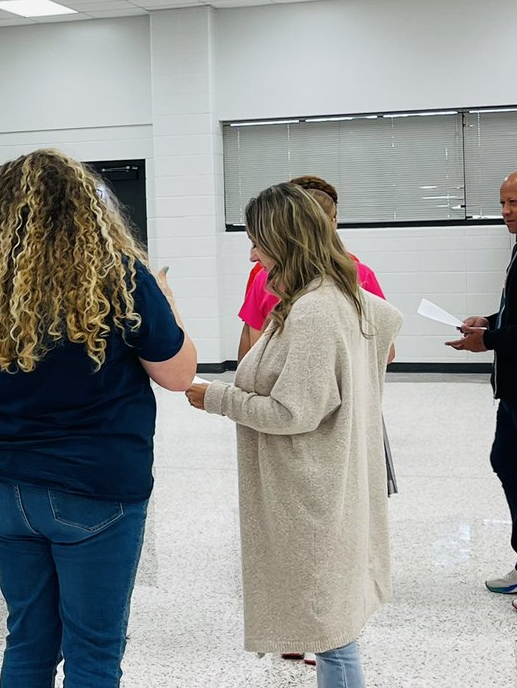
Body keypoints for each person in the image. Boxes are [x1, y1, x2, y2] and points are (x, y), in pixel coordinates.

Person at [0, 149, 197, 685]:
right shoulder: (118, 277)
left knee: (28, 638)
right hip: (93, 485)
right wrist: (166, 300)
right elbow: (179, 375)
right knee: (93, 650)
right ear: (87, 209)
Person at [186, 183, 403, 688]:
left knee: (332, 633)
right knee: (334, 625)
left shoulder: (315, 310)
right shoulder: (336, 295)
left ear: (284, 240)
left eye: (257, 240)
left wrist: (214, 397)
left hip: (312, 491)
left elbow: (294, 412)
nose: (252, 252)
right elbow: (385, 325)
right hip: (330, 482)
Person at [448, 171, 517, 605]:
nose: (506, 212)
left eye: (515, 203)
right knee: (505, 461)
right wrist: (489, 321)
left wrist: (488, 340)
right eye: (504, 202)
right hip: (510, 390)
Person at [238, 176, 384, 360]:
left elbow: (251, 343)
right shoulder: (356, 272)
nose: (253, 257)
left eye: (256, 244)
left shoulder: (267, 278)